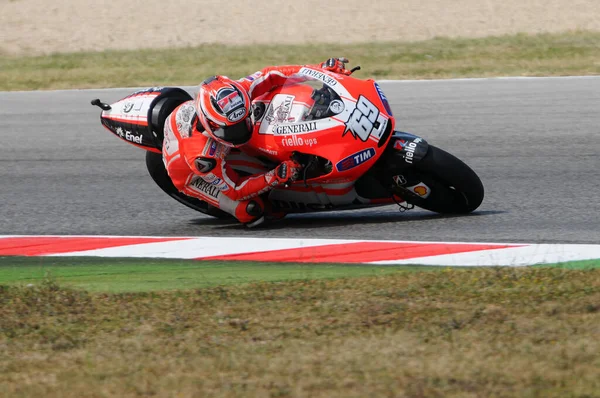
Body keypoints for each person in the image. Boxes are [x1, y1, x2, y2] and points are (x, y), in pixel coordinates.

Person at [161, 57, 352, 227]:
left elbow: (271, 75)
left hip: (223, 146)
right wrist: (276, 176)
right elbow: (235, 190)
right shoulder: (203, 158)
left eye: (244, 121)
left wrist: (319, 70)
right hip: (191, 176)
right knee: (251, 211)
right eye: (232, 130)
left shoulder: (235, 96)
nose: (241, 131)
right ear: (210, 125)